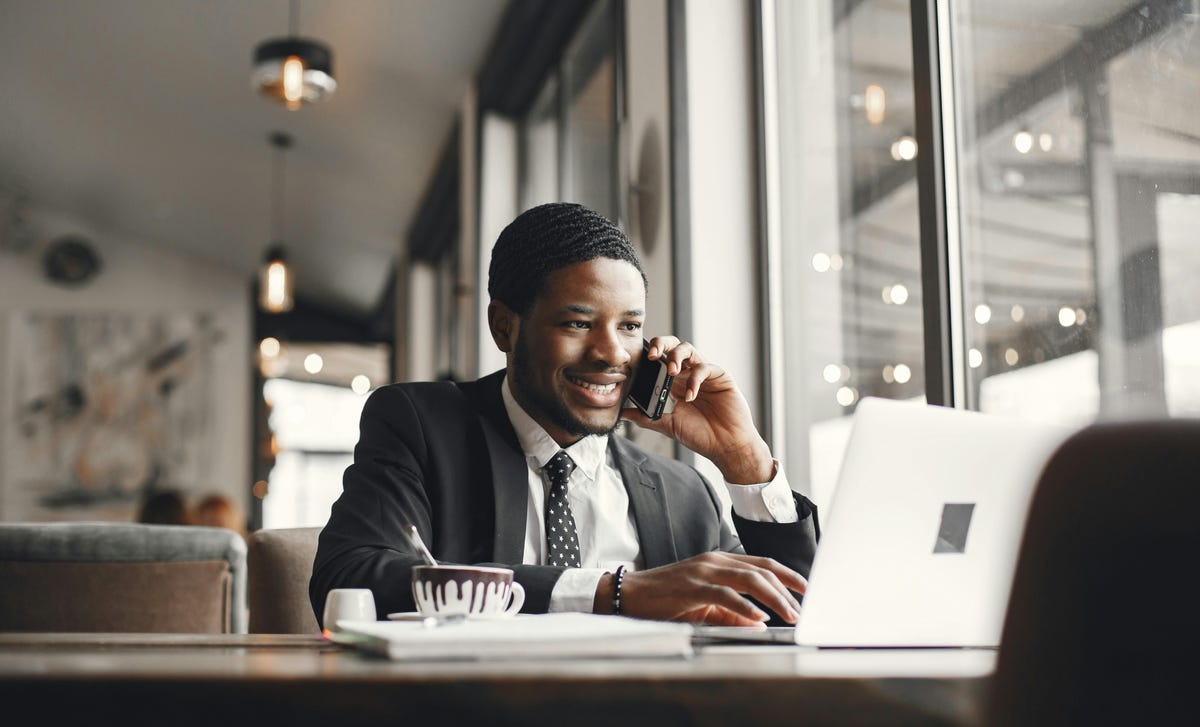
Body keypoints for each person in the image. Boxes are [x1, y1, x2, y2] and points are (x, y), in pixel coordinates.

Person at [310, 202, 819, 627]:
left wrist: (744, 459)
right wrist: (612, 593)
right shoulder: (423, 427)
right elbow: (349, 580)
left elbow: (793, 617)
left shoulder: (684, 491)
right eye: (578, 323)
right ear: (504, 327)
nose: (612, 353)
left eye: (629, 326)